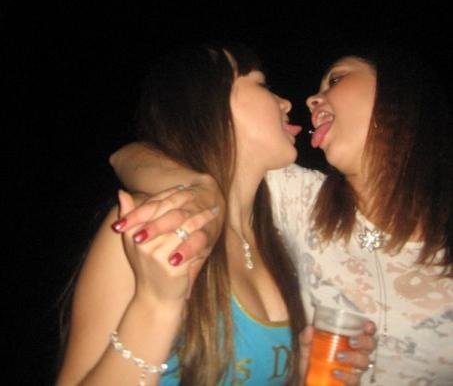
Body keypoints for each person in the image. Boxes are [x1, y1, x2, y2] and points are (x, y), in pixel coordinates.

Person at [111, 45, 453, 385]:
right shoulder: (298, 197)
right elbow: (131, 155)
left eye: (336, 80)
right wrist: (200, 188)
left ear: (396, 90)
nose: (312, 100)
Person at [56, 43, 374, 386]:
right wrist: (157, 304)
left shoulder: (275, 241)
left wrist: (306, 373)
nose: (285, 103)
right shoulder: (151, 226)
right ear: (210, 105)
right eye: (262, 84)